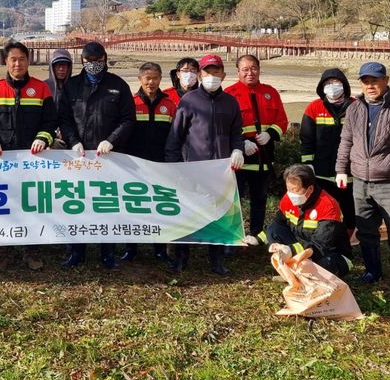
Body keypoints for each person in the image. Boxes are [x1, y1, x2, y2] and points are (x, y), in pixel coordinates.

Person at [335, 61, 390, 302]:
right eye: (366, 81)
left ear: (386, 80)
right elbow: (346, 141)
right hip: (361, 182)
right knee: (366, 231)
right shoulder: (354, 109)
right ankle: (373, 271)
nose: (370, 85)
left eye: (375, 80)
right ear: (361, 83)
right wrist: (341, 169)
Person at [0, 41, 58, 271]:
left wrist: (44, 138)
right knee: (3, 206)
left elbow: (50, 121)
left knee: (31, 204)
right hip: (2, 162)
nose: (17, 63)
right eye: (13, 59)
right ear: (6, 61)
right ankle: (4, 252)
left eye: (22, 59)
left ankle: (31, 251)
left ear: (28, 61)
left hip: (33, 161)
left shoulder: (41, 89)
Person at [58, 41, 137, 269]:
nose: (93, 66)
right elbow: (64, 118)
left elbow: (128, 119)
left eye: (98, 61)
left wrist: (111, 141)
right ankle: (76, 251)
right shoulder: (72, 86)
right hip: (79, 157)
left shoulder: (118, 85)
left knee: (107, 206)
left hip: (108, 157)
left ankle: (107, 252)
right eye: (88, 62)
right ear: (82, 61)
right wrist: (73, 141)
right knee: (76, 203)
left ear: (105, 59)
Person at [164, 53, 245, 275]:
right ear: (200, 74)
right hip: (193, 169)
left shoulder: (230, 102)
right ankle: (181, 258)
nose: (212, 76)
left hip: (221, 172)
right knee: (187, 214)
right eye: (207, 72)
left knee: (218, 215)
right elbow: (175, 137)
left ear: (223, 74)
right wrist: (174, 168)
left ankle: (216, 260)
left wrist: (238, 149)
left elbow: (237, 132)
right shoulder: (189, 101)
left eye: (216, 71)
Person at [225, 54, 288, 246]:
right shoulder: (229, 94)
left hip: (264, 157)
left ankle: (256, 234)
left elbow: (282, 120)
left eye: (253, 68)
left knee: (259, 199)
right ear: (238, 71)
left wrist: (271, 133)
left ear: (259, 69)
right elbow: (225, 126)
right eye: (245, 69)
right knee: (233, 201)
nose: (249, 73)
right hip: (240, 158)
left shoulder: (271, 92)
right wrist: (242, 142)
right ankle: (232, 236)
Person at [122, 61, 178, 263]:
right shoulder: (131, 103)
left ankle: (160, 249)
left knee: (158, 207)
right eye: (147, 78)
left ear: (160, 79)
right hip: (134, 165)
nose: (151, 82)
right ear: (139, 79)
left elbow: (175, 136)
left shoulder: (170, 105)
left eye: (155, 78)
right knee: (132, 207)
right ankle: (131, 248)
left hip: (160, 164)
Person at [267, 164, 352, 278]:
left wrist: (291, 250)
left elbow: (321, 245)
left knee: (323, 265)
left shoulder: (327, 206)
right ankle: (293, 267)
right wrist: (258, 239)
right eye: (288, 189)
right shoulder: (288, 199)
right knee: (274, 230)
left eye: (295, 190)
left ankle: (296, 270)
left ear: (310, 189)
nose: (290, 194)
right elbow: (278, 224)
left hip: (329, 253)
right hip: (303, 245)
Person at [300, 68, 356, 234]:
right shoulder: (313, 108)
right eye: (328, 83)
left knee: (350, 209)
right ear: (322, 87)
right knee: (323, 208)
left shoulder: (356, 106)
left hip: (350, 172)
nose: (332, 86)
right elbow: (306, 139)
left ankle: (348, 241)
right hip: (321, 172)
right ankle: (325, 239)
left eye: (336, 83)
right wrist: (308, 164)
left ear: (344, 85)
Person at [45, 48, 73, 149]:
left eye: (65, 65)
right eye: (58, 65)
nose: (61, 69)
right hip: (48, 138)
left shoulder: (76, 87)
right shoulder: (44, 87)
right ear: (52, 67)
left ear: (69, 67)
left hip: (72, 138)